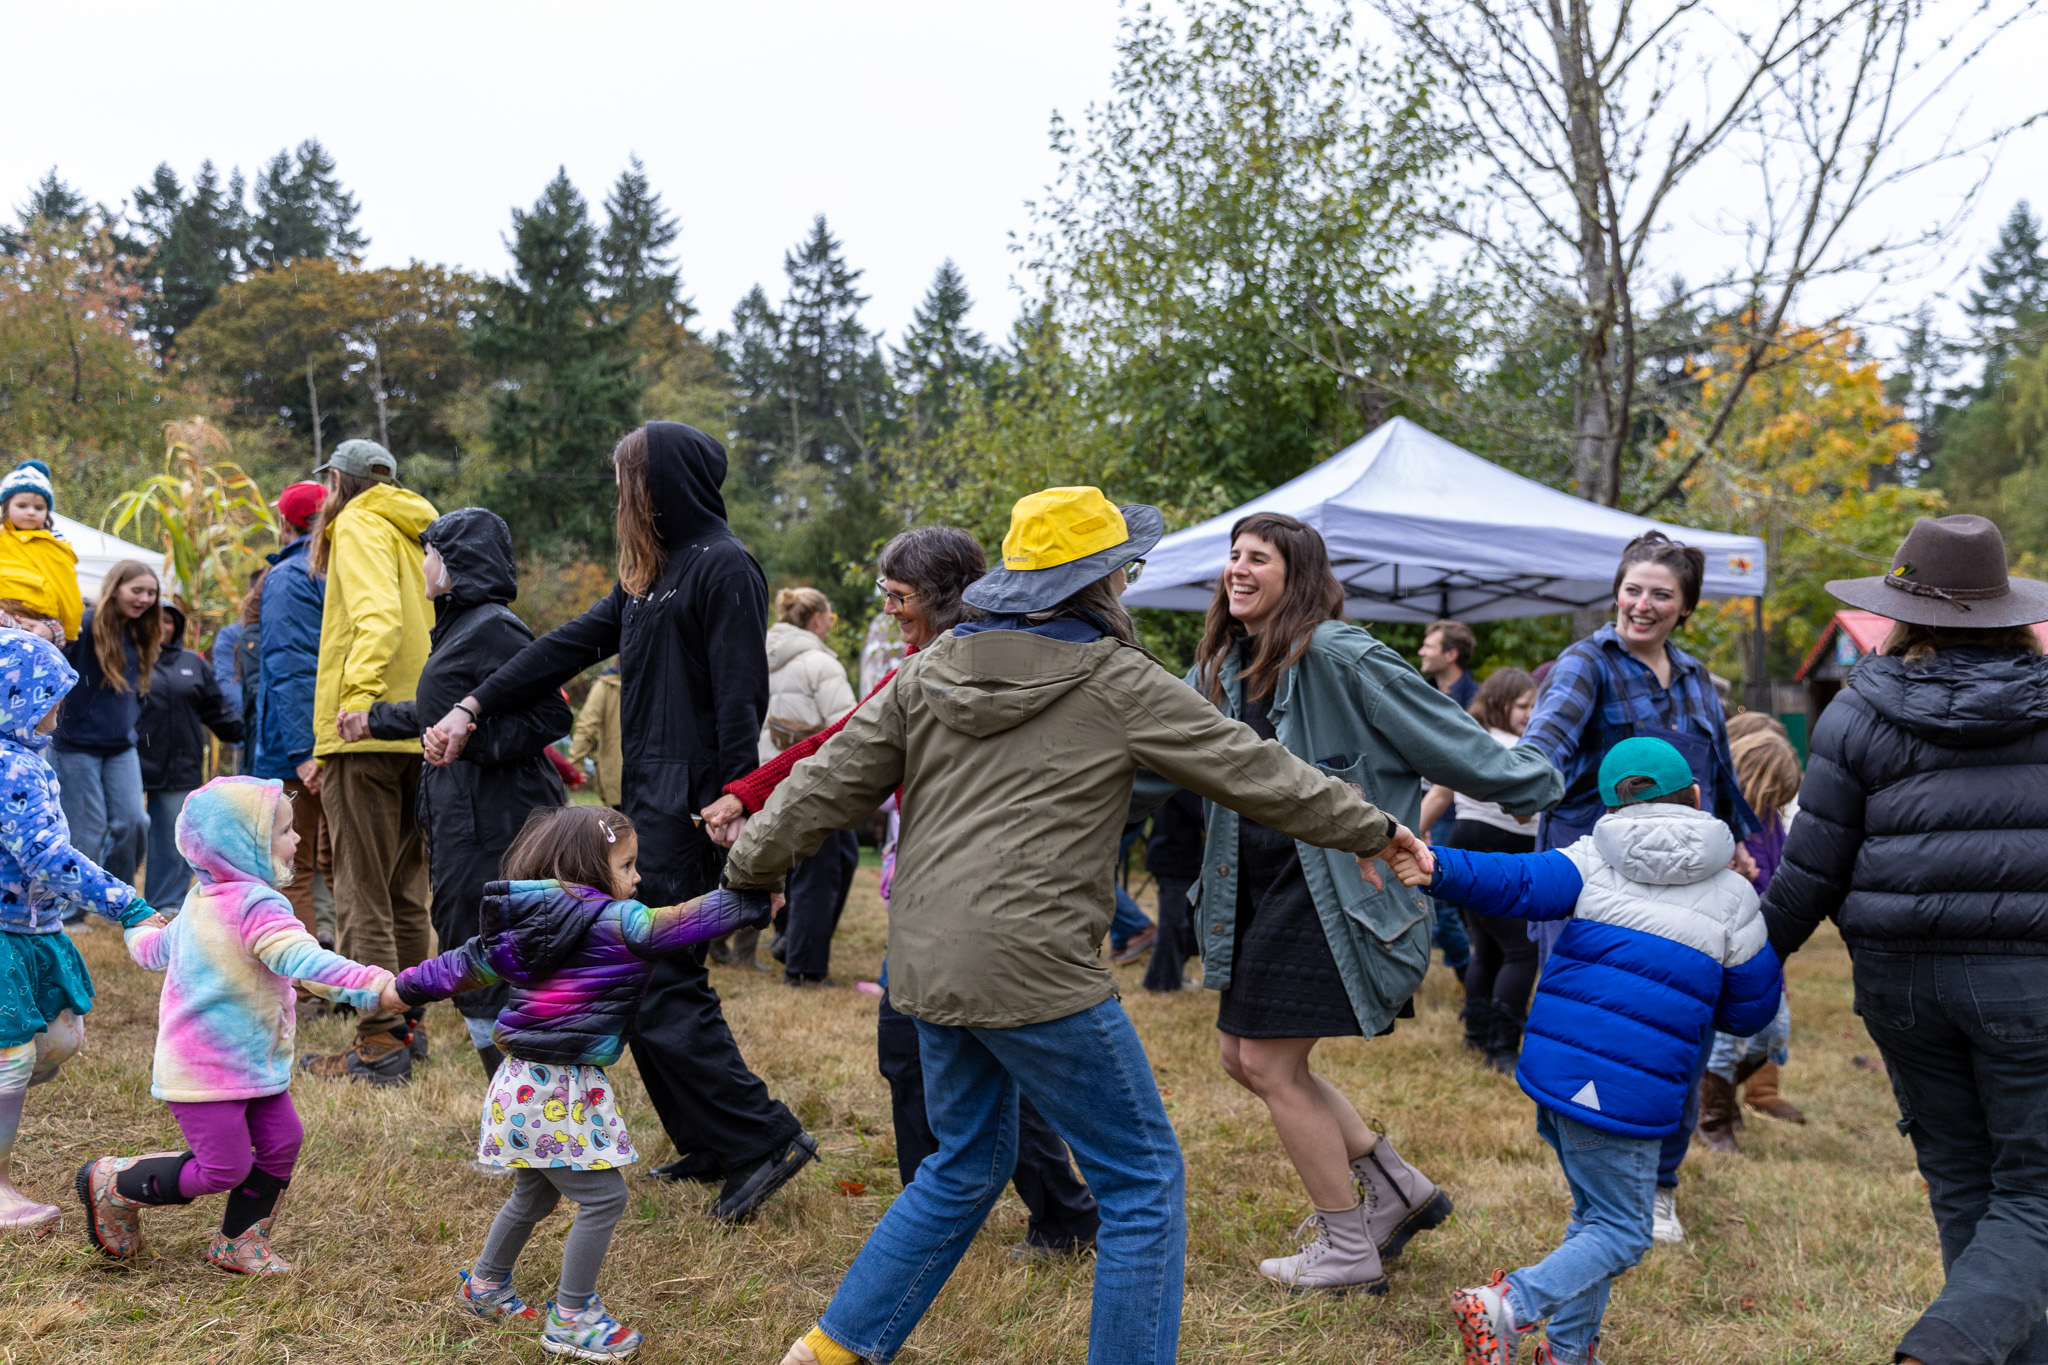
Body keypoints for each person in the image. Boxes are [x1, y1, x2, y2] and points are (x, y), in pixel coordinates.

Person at [723, 486, 1427, 1365]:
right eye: (1126, 570)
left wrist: (746, 869)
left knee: (963, 1165)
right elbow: (1256, 769)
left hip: (929, 963)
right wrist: (1375, 827)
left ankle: (830, 1352)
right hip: (1035, 968)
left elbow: (825, 782)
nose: (1129, 582)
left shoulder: (932, 669)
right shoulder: (1115, 678)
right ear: (1102, 580)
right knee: (1142, 1180)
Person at [423, 422, 813, 1225]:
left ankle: (761, 1139)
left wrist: (738, 798)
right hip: (649, 799)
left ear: (660, 483)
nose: (617, 495)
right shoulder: (648, 577)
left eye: (624, 478)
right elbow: (562, 648)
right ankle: (709, 1140)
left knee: (662, 977)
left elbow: (740, 695)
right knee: (639, 975)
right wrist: (472, 704)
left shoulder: (724, 566)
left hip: (697, 805)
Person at [1167, 512, 1560, 1292]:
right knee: (1241, 1057)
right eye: (1233, 555)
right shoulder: (1217, 669)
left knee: (1270, 1062)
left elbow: (1446, 735)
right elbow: (1155, 742)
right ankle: (1397, 1187)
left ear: (1298, 574)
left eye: (1259, 558)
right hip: (1254, 887)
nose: (1238, 568)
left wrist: (1541, 781)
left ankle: (1348, 1245)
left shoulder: (1342, 654)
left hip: (1335, 887)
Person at [707, 526, 1103, 1260]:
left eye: (899, 596)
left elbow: (839, 745)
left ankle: (1017, 1214)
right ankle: (1006, 1213)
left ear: (946, 596)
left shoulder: (978, 665)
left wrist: (750, 805)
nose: (888, 610)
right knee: (931, 1056)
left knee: (956, 1056)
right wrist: (749, 793)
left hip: (986, 900)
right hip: (934, 894)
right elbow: (841, 742)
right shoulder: (924, 667)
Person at [1386, 737, 1781, 1365]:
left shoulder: (1591, 857)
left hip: (1556, 1073)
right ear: (1697, 797)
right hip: (1629, 1094)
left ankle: (1568, 1353)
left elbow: (1514, 882)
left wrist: (1435, 866)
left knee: (1595, 1218)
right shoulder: (1733, 895)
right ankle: (1506, 1306)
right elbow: (1751, 1011)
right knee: (1623, 1231)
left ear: (1610, 808)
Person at [1762, 514, 2048, 1365]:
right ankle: (1940, 1352)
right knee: (2035, 1191)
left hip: (1901, 982)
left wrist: (1746, 966)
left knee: (1963, 1178)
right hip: (2028, 979)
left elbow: (1810, 871)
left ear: (1904, 612)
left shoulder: (1856, 711)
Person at [384, 805, 772, 1362]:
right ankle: (572, 1317)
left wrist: (401, 989)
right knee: (605, 1197)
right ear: (589, 869)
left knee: (534, 1191)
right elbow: (687, 919)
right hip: (554, 1090)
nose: (637, 878)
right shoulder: (622, 922)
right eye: (627, 865)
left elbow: (461, 964)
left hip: (521, 1082)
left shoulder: (526, 924)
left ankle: (485, 1286)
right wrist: (753, 900)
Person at [1517, 529, 1760, 1244]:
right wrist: (1512, 784)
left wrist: (1739, 844)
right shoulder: (1586, 664)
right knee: (1592, 1029)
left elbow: (1718, 777)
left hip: (1686, 882)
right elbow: (1544, 745)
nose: (1642, 604)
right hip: (1596, 876)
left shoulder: (1694, 677)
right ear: (1616, 592)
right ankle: (1596, 1184)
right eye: (1633, 589)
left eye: (1661, 594)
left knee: (1678, 1031)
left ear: (1685, 606)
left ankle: (1658, 1184)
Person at [76, 776, 391, 1273]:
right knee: (224, 1167)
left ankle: (238, 1241)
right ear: (244, 847)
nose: (297, 838)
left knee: (282, 1140)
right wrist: (374, 985)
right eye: (284, 831)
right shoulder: (256, 906)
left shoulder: (202, 897)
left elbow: (152, 950)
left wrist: (138, 929)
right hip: (205, 1068)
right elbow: (304, 960)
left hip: (251, 1060)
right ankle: (114, 1183)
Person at [364, 507, 569, 1080]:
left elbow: (551, 714)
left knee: (487, 950)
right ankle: (515, 1103)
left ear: (456, 563)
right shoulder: (461, 628)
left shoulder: (493, 627)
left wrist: (471, 743)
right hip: (464, 816)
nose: (423, 565)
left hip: (498, 822)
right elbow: (445, 708)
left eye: (430, 554)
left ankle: (531, 1101)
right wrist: (374, 720)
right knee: (467, 945)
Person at [0, 631, 164, 1233]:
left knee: (59, 1039)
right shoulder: (8, 766)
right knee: (12, 1056)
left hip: (30, 927)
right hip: (5, 932)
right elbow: (46, 855)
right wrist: (126, 904)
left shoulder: (26, 758)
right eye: (48, 693)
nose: (59, 705)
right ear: (15, 699)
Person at [296, 440, 438, 1086]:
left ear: (336, 480)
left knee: (361, 892)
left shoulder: (355, 523)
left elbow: (376, 618)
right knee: (407, 889)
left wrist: (357, 699)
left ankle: (379, 1039)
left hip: (367, 729)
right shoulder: (417, 529)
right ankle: (413, 1025)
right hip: (418, 726)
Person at [1419, 667, 1540, 1071]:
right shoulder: (1514, 748)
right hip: (1499, 848)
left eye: (1534, 706)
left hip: (1469, 843)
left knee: (1487, 949)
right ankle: (1502, 1049)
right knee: (1521, 950)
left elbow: (1440, 795)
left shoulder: (1471, 740)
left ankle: (1477, 1035)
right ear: (1498, 703)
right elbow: (1523, 813)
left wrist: (1411, 835)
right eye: (1522, 705)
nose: (1530, 714)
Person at [1696, 714, 1805, 1152]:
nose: (1774, 804)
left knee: (1772, 1033)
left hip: (1765, 948)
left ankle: (1717, 1093)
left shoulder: (1773, 825)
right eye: (1771, 795)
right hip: (1728, 950)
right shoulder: (1721, 826)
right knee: (1724, 1042)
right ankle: (1713, 1116)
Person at [754, 586, 857, 984]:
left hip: (768, 776)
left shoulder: (760, 658)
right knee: (821, 871)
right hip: (814, 780)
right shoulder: (820, 663)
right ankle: (804, 967)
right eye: (830, 618)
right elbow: (850, 727)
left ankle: (788, 940)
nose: (830, 626)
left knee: (799, 864)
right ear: (816, 619)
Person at [52, 560, 164, 900]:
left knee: (134, 823)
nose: (144, 599)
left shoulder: (140, 631)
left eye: (151, 593)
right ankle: (73, 907)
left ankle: (114, 897)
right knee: (88, 830)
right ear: (115, 589)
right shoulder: (86, 625)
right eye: (136, 590)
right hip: (75, 744)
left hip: (121, 746)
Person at [255, 481, 332, 945]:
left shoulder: (289, 576)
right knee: (339, 866)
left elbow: (292, 667)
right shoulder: (347, 567)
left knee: (291, 866)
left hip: (296, 748)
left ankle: (300, 976)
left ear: (285, 523)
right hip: (343, 737)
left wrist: (302, 750)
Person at [136, 603, 245, 910]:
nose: (162, 627)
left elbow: (216, 709)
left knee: (174, 835)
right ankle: (112, 894)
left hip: (180, 761)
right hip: (130, 759)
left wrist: (244, 731)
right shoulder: (127, 657)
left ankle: (165, 901)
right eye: (155, 620)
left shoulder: (192, 663)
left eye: (168, 621)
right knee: (126, 828)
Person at [1417, 619, 1479, 993]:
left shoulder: (1477, 701)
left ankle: (1471, 977)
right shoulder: (1422, 693)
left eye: (1429, 645)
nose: (1421, 651)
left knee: (1438, 893)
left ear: (1451, 654)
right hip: (1423, 800)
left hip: (1455, 809)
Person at [0, 459, 82, 641]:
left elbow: (68, 589)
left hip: (38, 615)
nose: (31, 512)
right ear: (5, 507)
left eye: (39, 507)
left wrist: (70, 629)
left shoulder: (53, 544)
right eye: (22, 506)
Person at [1140, 789, 1204, 993]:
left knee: (1189, 924)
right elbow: (1203, 815)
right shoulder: (1182, 783)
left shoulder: (1170, 782)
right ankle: (1161, 983)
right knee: (1174, 923)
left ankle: (1171, 973)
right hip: (1173, 858)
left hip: (1181, 857)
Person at [567, 666, 623, 806]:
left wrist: (575, 769)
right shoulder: (661, 679)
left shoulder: (607, 684)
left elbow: (586, 727)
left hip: (621, 777)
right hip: (661, 780)